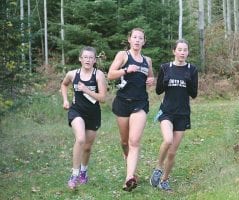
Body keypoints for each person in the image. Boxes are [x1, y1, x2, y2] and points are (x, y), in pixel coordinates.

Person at [107, 28, 154, 192]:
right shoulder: (123, 55)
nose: (137, 40)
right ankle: (128, 160)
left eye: (140, 38)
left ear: (144, 41)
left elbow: (150, 77)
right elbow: (110, 74)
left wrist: (150, 81)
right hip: (122, 102)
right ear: (129, 39)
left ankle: (129, 178)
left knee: (134, 141)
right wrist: (126, 70)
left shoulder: (147, 60)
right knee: (125, 142)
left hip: (140, 103)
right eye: (134, 37)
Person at [150, 39, 198, 191]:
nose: (182, 52)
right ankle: (158, 168)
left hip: (182, 114)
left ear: (187, 52)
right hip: (167, 112)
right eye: (180, 49)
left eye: (185, 50)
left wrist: (188, 81)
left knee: (172, 152)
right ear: (174, 51)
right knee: (168, 139)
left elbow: (194, 94)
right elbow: (158, 91)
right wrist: (165, 81)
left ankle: (164, 180)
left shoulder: (192, 69)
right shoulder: (165, 67)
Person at [61, 46, 107, 190]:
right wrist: (65, 100)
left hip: (93, 114)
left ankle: (83, 172)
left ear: (94, 60)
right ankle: (74, 175)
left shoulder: (98, 75)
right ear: (80, 59)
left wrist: (87, 90)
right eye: (85, 57)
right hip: (77, 111)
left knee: (87, 147)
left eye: (91, 57)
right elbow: (64, 84)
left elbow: (103, 98)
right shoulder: (73, 74)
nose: (88, 60)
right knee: (80, 139)